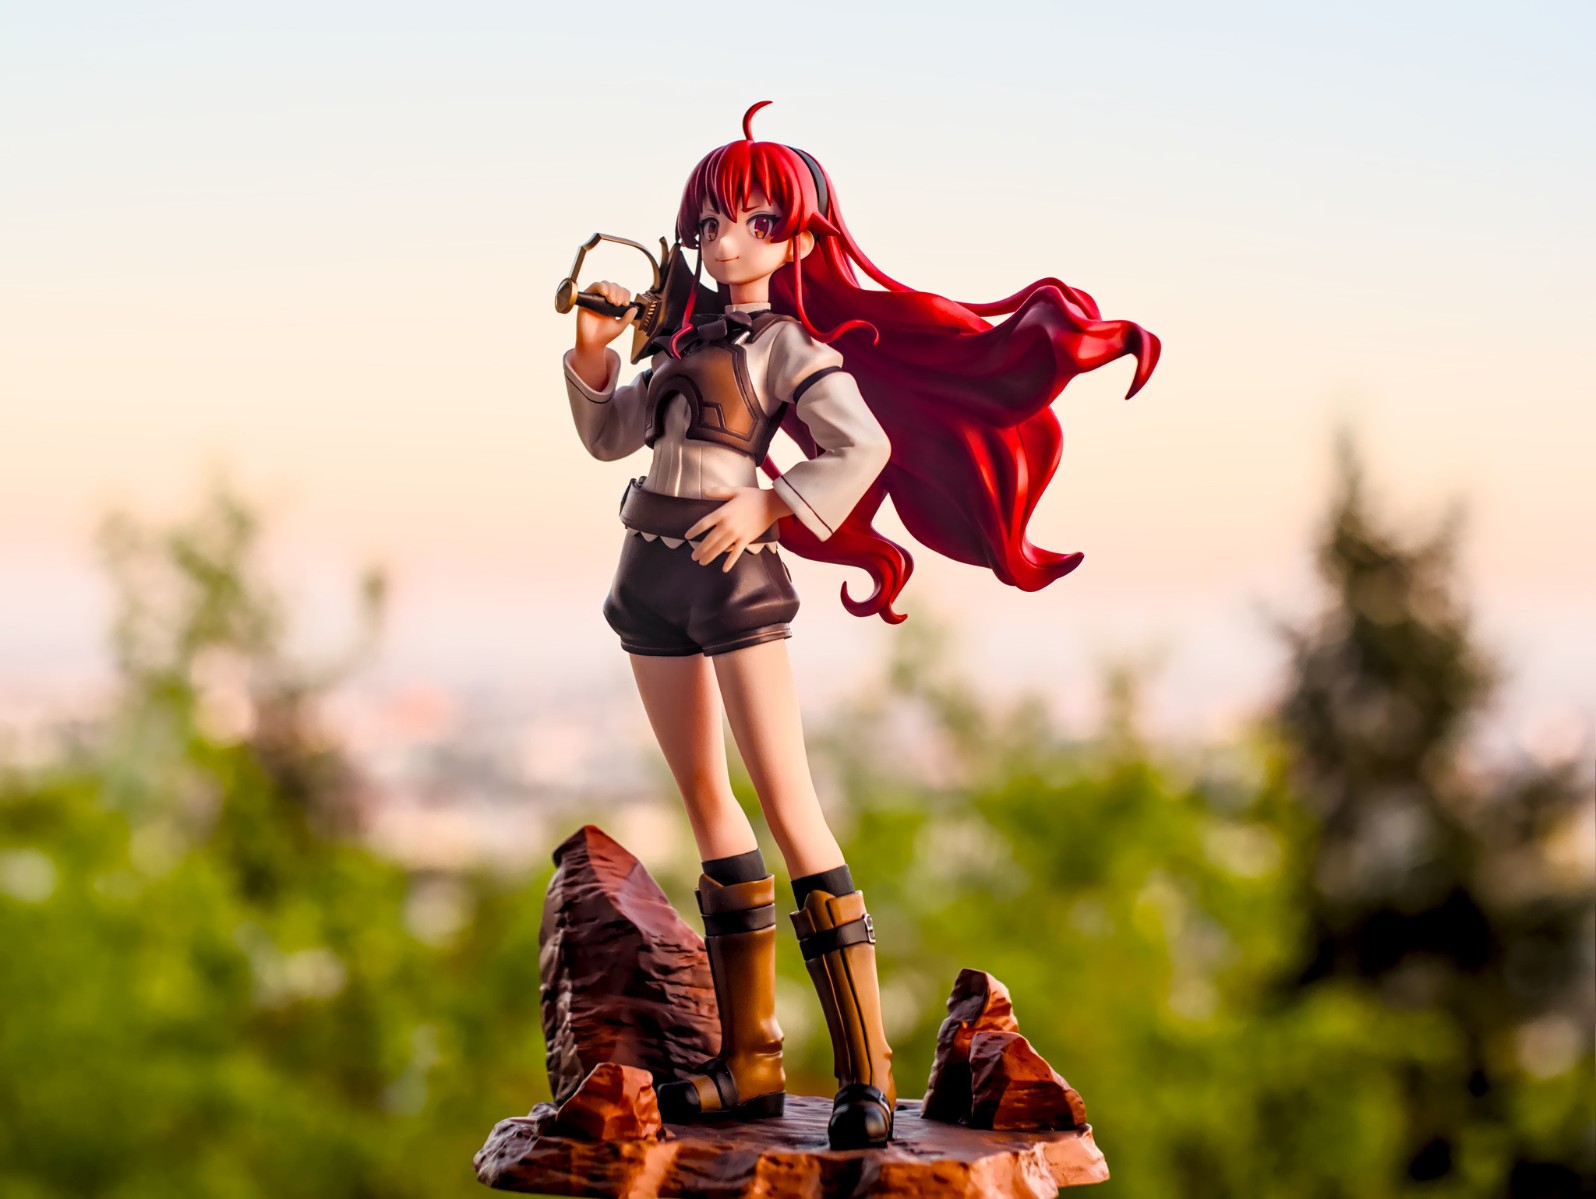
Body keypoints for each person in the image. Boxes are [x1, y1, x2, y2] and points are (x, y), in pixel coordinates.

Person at [561, 101, 1159, 1150]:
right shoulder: (683, 338)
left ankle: (864, 1070)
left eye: (752, 221)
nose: (725, 241)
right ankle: (750, 1059)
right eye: (709, 222)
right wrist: (593, 352)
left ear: (797, 238)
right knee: (707, 800)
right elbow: (612, 437)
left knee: (790, 803)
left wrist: (773, 501)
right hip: (648, 566)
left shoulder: (792, 347)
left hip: (731, 576)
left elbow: (862, 447)